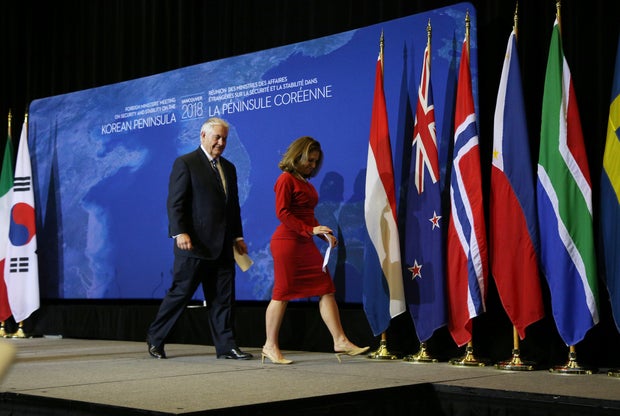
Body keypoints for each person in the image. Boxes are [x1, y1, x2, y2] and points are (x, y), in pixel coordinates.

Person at [146, 117, 252, 360]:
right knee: (181, 294)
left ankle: (226, 346)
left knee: (224, 299)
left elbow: (232, 207)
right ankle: (156, 338)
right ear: (203, 136)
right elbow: (175, 202)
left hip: (224, 245)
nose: (221, 142)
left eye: (225, 138)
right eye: (217, 137)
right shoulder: (186, 163)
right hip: (194, 245)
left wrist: (237, 236)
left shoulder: (229, 168)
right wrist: (179, 231)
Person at [262, 136, 369, 364]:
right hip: (287, 242)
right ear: (297, 156)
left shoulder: (305, 182)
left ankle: (339, 340)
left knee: (325, 287)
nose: (312, 165)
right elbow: (282, 213)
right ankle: (270, 346)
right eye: (309, 160)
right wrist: (311, 230)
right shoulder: (286, 179)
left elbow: (308, 217)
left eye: (315, 161)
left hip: (304, 241)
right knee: (282, 293)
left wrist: (323, 235)